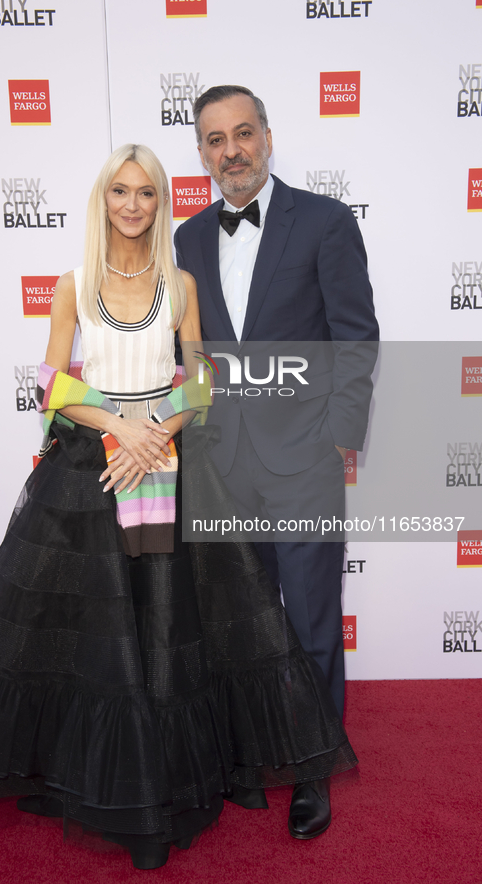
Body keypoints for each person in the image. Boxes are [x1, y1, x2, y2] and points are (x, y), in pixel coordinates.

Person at [0, 144, 357, 869]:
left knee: (174, 624)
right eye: (121, 191)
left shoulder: (181, 281)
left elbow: (200, 379)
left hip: (171, 461)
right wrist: (119, 429)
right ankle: (85, 770)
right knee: (100, 631)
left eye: (146, 192)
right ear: (102, 199)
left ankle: (181, 769)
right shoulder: (73, 283)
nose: (133, 204)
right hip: (94, 467)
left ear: (160, 200)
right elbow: (52, 382)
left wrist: (159, 435)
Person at [174, 85, 379, 839]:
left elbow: (355, 335)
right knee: (241, 623)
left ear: (267, 136)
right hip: (225, 467)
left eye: (243, 133)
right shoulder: (189, 239)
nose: (231, 150)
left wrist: (338, 437)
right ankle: (251, 754)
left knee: (313, 626)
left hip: (304, 464)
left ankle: (312, 766)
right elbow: (191, 356)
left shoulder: (324, 221)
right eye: (214, 139)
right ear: (200, 153)